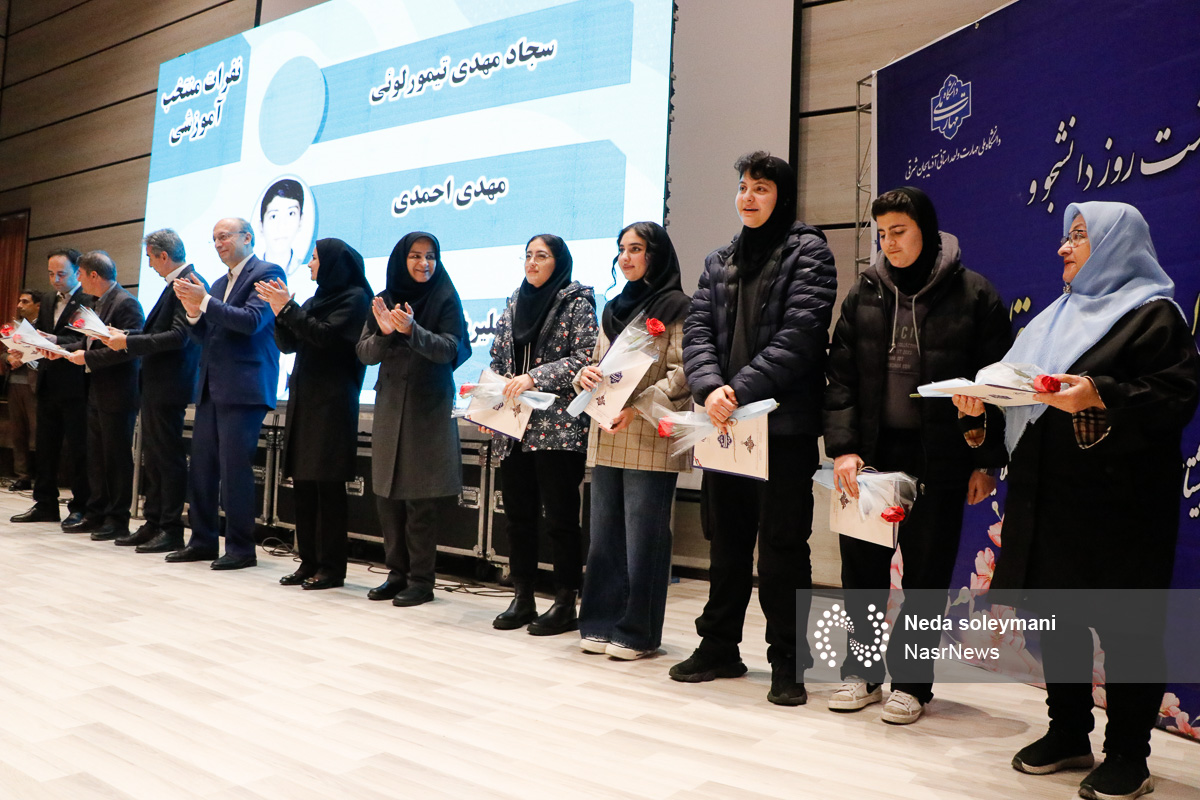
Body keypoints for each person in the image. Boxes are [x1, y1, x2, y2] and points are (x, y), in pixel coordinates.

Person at [955, 202, 1199, 800]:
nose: (1064, 247)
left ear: (1116, 245)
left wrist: (1098, 393)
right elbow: (1025, 406)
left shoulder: (1153, 317)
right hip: (1048, 502)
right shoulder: (1051, 320)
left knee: (1127, 632)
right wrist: (980, 408)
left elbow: (1176, 397)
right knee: (1056, 621)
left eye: (1080, 236)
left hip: (1121, 510)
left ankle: (1129, 757)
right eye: (1066, 237)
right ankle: (1068, 733)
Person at [823, 186, 1011, 723]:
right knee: (862, 571)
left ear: (925, 230)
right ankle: (861, 673)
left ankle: (912, 685)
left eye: (899, 231)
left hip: (940, 455)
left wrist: (984, 461)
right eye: (882, 233)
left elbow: (996, 386)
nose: (889, 242)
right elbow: (840, 378)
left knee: (926, 576)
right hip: (871, 455)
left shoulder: (975, 294)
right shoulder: (863, 292)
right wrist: (844, 449)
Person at [675, 151, 836, 706]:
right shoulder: (719, 260)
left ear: (782, 197)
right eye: (743, 186)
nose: (748, 196)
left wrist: (737, 390)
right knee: (726, 542)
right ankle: (719, 646)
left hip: (782, 428)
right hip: (724, 426)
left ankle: (789, 660)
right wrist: (709, 388)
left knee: (782, 548)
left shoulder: (809, 252)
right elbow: (697, 331)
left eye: (761, 188)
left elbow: (801, 335)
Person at [574, 222, 692, 659]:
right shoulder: (611, 308)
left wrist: (637, 408)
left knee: (644, 540)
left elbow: (685, 372)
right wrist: (583, 375)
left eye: (636, 249)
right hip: (607, 431)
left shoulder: (678, 307)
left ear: (655, 256)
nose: (626, 257)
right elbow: (597, 364)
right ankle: (599, 622)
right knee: (603, 537)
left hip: (649, 434)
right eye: (622, 249)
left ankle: (637, 632)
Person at [489, 234, 597, 636]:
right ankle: (523, 597)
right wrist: (489, 400)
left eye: (542, 256)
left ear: (559, 262)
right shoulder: (513, 303)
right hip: (513, 426)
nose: (532, 263)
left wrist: (535, 377)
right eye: (528, 255)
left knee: (561, 518)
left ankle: (566, 602)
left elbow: (585, 358)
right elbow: (498, 360)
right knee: (518, 518)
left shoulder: (577, 303)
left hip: (558, 429)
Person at [357, 232, 470, 607]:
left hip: (427, 408)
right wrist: (386, 333)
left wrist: (412, 330)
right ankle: (396, 575)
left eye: (431, 256)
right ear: (401, 260)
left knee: (420, 500)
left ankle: (421, 581)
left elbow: (451, 349)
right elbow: (365, 353)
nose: (425, 263)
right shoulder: (383, 299)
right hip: (391, 407)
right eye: (416, 256)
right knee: (388, 496)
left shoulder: (445, 297)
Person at [167, 217, 286, 570]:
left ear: (247, 237)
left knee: (235, 470)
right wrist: (193, 313)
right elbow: (207, 335)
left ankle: (240, 548)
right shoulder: (219, 283)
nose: (218, 244)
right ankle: (202, 541)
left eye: (224, 237)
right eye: (214, 239)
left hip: (244, 387)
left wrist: (204, 302)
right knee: (202, 469)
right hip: (210, 386)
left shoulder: (267, 272)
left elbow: (251, 322)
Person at [258, 238, 372, 590]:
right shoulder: (316, 299)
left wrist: (288, 308)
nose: (309, 263)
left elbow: (324, 337)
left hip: (333, 405)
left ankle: (331, 568)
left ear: (334, 264)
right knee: (304, 485)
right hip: (305, 402)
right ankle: (307, 561)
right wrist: (280, 314)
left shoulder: (355, 299)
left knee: (328, 488)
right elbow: (289, 344)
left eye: (316, 258)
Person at [105, 229, 206, 552]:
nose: (148, 265)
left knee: (167, 457)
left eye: (150, 257)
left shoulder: (188, 283)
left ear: (164, 255)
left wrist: (128, 341)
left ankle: (170, 527)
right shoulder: (175, 283)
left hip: (170, 384)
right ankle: (154, 521)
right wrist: (125, 336)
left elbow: (178, 338)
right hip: (157, 384)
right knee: (154, 457)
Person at [58, 251, 145, 541]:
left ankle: (117, 519)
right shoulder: (98, 302)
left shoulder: (126, 302)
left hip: (118, 393)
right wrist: (59, 349)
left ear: (94, 275)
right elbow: (89, 343)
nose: (79, 280)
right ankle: (96, 513)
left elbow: (128, 349)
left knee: (115, 459)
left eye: (80, 274)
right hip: (98, 391)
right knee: (96, 457)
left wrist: (88, 359)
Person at [11, 249, 94, 527]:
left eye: (61, 274)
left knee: (78, 449)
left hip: (77, 383)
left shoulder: (88, 299)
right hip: (48, 381)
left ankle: (80, 506)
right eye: (50, 274)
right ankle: (44, 503)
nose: (55, 280)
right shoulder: (47, 300)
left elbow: (86, 339)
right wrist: (25, 347)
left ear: (77, 273)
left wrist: (54, 340)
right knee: (45, 446)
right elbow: (42, 337)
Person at [5, 289, 41, 492]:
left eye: (25, 302)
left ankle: (43, 477)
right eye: (19, 301)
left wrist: (26, 357)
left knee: (38, 432)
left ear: (38, 305)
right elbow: (4, 353)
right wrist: (9, 358)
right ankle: (22, 476)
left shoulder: (45, 327)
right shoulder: (15, 327)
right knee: (17, 433)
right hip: (14, 384)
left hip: (35, 384)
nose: (19, 305)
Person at [259, 179, 307, 276]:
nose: (282, 226)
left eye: (291, 214)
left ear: (301, 221)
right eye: (273, 216)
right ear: (261, 226)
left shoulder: (307, 271)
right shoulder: (250, 274)